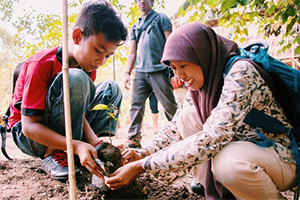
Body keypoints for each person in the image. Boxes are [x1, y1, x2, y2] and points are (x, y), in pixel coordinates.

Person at [104, 22, 297, 199]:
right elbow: (175, 128)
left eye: (183, 65)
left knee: (228, 164)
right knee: (188, 117)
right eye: (173, 68)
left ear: (202, 54)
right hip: (247, 146)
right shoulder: (202, 86)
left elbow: (212, 138)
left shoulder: (241, 74)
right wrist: (144, 153)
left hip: (281, 156)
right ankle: (213, 190)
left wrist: (142, 166)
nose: (179, 75)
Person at [8, 0, 127, 181]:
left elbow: (76, 110)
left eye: (107, 56)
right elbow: (29, 127)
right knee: (76, 78)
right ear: (77, 36)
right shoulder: (41, 64)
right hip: (30, 136)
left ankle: (93, 153)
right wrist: (75, 145)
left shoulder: (88, 69)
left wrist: (95, 142)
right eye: (98, 50)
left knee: (111, 89)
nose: (101, 61)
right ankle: (55, 152)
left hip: (66, 127)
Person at [123, 0, 177, 148]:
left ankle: (181, 133)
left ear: (152, 1)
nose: (141, 1)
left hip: (159, 69)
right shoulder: (136, 26)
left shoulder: (161, 18)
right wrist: (127, 72)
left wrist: (174, 67)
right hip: (140, 72)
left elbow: (170, 42)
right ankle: (133, 139)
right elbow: (132, 52)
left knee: (169, 105)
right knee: (136, 105)